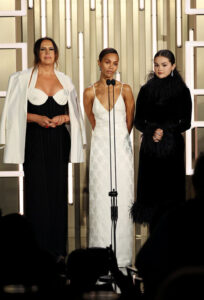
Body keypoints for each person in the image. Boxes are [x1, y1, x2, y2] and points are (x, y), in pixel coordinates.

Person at [0, 37, 86, 260]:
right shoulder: (20, 79)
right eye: (42, 49)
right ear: (37, 53)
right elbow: (12, 113)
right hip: (35, 140)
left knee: (58, 193)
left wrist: (64, 117)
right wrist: (36, 118)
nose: (47, 53)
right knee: (36, 192)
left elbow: (75, 114)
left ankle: (58, 250)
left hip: (58, 141)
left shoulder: (66, 81)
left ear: (56, 54)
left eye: (51, 49)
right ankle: (36, 252)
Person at [83, 48, 135, 267]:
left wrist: (121, 139)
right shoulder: (89, 92)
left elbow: (129, 120)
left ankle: (122, 256)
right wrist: (104, 138)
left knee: (123, 198)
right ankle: (99, 254)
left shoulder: (125, 89)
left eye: (115, 63)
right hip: (100, 150)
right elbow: (92, 121)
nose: (111, 67)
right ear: (99, 63)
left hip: (122, 149)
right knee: (100, 199)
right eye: (107, 62)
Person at [131, 49, 192, 232]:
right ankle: (153, 244)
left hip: (172, 148)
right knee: (152, 195)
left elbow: (186, 122)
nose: (159, 68)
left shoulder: (182, 91)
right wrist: (152, 131)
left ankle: (173, 244)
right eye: (156, 65)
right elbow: (138, 121)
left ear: (173, 66)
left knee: (171, 194)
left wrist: (164, 131)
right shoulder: (146, 90)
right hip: (150, 149)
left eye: (164, 65)